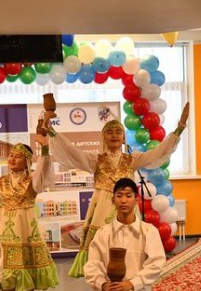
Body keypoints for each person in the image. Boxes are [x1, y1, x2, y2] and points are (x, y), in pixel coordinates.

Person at [47, 102, 189, 278]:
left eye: (118, 132)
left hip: (127, 208)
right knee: (102, 255)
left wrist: (179, 129)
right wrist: (52, 133)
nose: (114, 135)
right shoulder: (95, 160)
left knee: (130, 250)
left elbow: (158, 153)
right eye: (109, 132)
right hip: (101, 209)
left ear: (123, 137)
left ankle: (129, 283)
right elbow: (73, 152)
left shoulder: (132, 159)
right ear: (103, 137)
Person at [0, 135, 59, 291]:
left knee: (29, 272)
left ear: (26, 161)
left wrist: (44, 150)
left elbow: (44, 170)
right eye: (11, 156)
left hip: (26, 231)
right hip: (4, 232)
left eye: (17, 157)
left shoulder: (33, 180)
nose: (12, 159)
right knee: (7, 276)